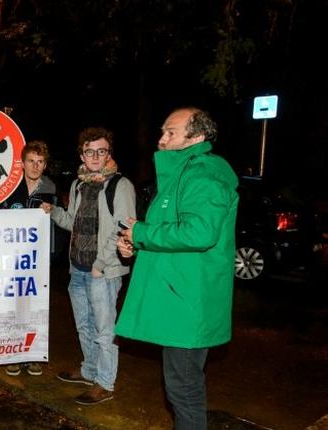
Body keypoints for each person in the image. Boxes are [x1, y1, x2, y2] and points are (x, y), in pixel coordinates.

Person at [116, 108, 238, 429]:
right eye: (163, 131)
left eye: (171, 132)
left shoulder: (203, 175)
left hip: (189, 306)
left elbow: (199, 233)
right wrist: (137, 242)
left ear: (195, 137)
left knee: (183, 391)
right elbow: (173, 233)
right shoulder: (183, 174)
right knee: (181, 389)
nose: (161, 139)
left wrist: (142, 232)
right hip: (180, 299)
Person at [40, 127, 135, 405]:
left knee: (105, 330)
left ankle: (105, 382)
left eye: (101, 151)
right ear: (82, 154)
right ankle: (89, 370)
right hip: (77, 269)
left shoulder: (120, 185)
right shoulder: (79, 184)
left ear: (109, 154)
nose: (95, 156)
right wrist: (54, 212)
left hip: (101, 271)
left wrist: (101, 264)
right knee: (83, 325)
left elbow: (123, 228)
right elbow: (73, 222)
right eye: (90, 151)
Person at [0, 140, 55, 377]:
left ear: (45, 165)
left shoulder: (50, 188)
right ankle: (14, 353)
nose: (35, 166)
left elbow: (54, 225)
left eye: (40, 162)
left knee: (35, 307)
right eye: (31, 161)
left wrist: (50, 212)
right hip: (11, 257)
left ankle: (32, 355)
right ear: (22, 163)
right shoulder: (9, 187)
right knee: (13, 305)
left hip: (37, 259)